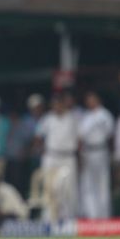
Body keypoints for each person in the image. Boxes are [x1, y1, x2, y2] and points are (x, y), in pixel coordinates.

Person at [35, 94, 78, 223]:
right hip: (52, 156)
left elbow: (79, 139)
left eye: (59, 104)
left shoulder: (72, 118)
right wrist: (42, 150)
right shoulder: (47, 119)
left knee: (68, 187)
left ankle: (68, 216)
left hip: (68, 156)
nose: (57, 107)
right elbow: (37, 136)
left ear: (64, 105)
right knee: (50, 186)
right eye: (54, 105)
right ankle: (49, 216)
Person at [78, 91, 114, 218]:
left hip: (101, 150)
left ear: (98, 100)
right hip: (88, 152)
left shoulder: (105, 115)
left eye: (92, 99)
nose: (90, 102)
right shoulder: (85, 116)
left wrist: (111, 155)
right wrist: (81, 156)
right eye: (88, 100)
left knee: (102, 183)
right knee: (88, 184)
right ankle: (91, 214)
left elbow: (110, 137)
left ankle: (104, 215)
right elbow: (80, 138)